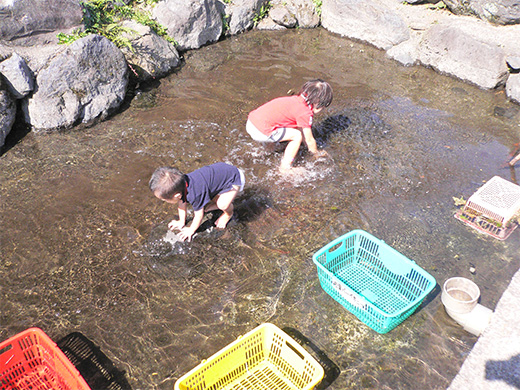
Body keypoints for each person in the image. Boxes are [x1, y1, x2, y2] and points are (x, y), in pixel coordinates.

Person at [246, 79, 333, 173]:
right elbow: (309, 140)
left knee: (282, 123)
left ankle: (268, 149)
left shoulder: (294, 100)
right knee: (296, 136)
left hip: (251, 122)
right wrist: (316, 154)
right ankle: (285, 168)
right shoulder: (305, 112)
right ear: (319, 102)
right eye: (323, 106)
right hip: (261, 132)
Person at [149, 162, 245, 242]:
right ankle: (216, 202)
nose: (164, 201)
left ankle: (228, 214)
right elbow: (182, 203)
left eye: (164, 199)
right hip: (224, 172)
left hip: (234, 179)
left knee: (222, 204)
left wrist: (191, 230)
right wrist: (181, 221)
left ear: (177, 196)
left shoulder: (195, 195)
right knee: (210, 192)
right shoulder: (183, 182)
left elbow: (199, 216)